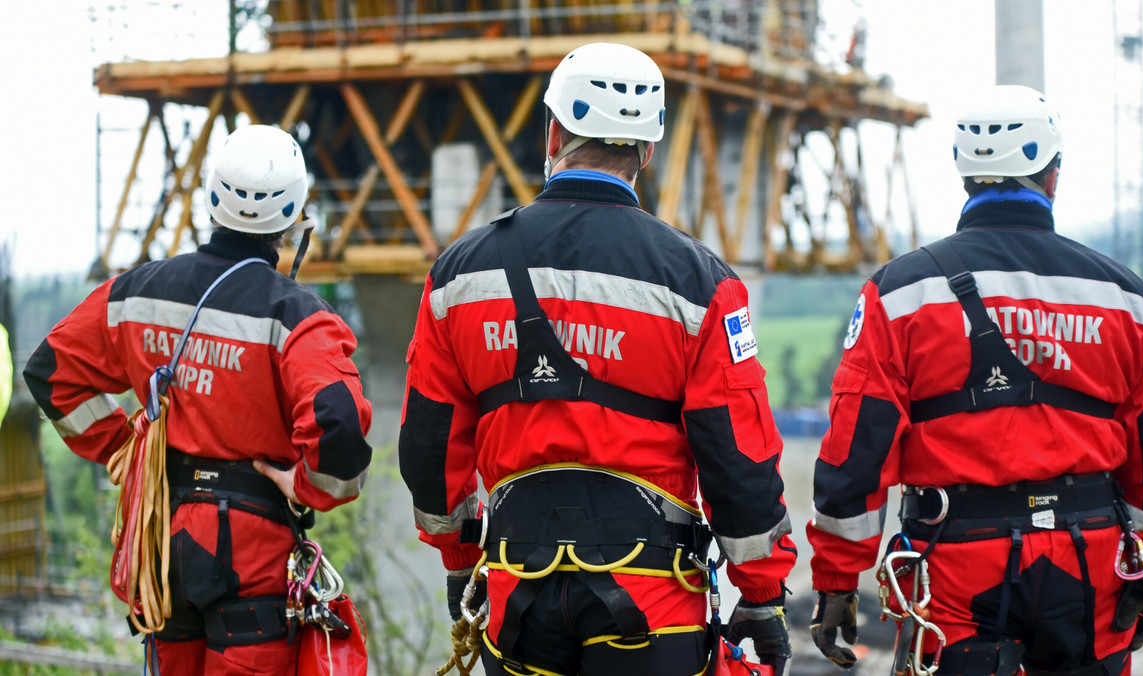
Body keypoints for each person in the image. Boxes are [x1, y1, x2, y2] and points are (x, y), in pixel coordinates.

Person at [397, 42, 796, 676]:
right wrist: (762, 593)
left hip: (516, 596)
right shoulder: (699, 282)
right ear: (649, 150)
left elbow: (428, 443)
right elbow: (737, 455)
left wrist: (457, 557)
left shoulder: (458, 276)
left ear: (553, 131)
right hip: (652, 601)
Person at [807, 84, 1143, 675]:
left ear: (964, 177)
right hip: (1090, 565)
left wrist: (835, 579)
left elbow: (858, 446)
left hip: (954, 568)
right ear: (1052, 176)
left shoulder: (901, 293)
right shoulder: (1124, 298)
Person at [24, 124, 373, 676]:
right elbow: (341, 431)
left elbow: (49, 372)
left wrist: (124, 448)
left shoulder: (135, 294)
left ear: (211, 198)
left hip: (164, 552)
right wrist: (305, 486)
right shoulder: (297, 318)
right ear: (293, 217)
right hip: (251, 558)